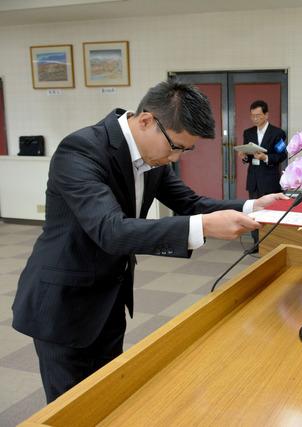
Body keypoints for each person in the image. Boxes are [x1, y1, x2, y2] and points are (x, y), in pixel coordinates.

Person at [11, 80, 286, 403]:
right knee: (70, 408)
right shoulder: (81, 150)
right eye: (175, 147)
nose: (175, 158)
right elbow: (111, 230)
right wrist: (204, 227)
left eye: (185, 150)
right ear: (145, 121)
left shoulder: (153, 158)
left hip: (109, 298)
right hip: (63, 304)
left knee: (108, 395)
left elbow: (190, 202)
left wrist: (252, 205)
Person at [240, 100, 287, 250]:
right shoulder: (248, 133)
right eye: (252, 116)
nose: (255, 119)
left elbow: (282, 155)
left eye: (258, 116)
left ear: (266, 115)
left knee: (270, 212)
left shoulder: (278, 133)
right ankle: (256, 244)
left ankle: (271, 243)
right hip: (253, 179)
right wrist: (244, 156)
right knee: (253, 211)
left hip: (269, 179)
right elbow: (248, 156)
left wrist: (265, 158)